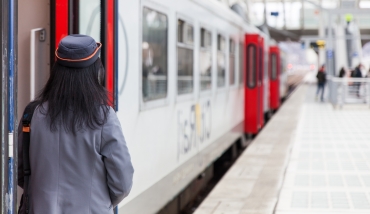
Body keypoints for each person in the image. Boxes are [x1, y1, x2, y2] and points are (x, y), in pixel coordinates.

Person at [18, 35, 134, 214]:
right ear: (96, 72)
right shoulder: (104, 118)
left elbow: (20, 172)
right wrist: (98, 201)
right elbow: (123, 182)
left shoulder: (32, 114)